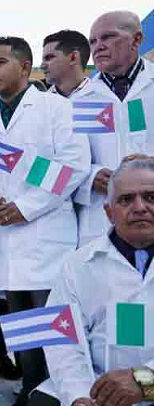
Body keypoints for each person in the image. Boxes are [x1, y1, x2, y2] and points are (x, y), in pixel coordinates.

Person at [0, 36, 90, 406]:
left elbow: (72, 168)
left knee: (56, 333)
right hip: (8, 242)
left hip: (45, 237)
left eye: (0, 63)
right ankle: (31, 390)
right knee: (24, 331)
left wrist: (25, 207)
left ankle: (57, 396)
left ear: (24, 67)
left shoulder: (55, 109)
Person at [33, 157, 154, 406]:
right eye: (126, 199)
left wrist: (144, 381)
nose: (140, 207)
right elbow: (62, 342)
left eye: (150, 197)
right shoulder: (78, 266)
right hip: (100, 392)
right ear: (109, 212)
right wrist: (79, 396)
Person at [72, 10, 154, 248]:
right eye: (93, 41)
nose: (98, 47)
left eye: (108, 37)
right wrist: (91, 177)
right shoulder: (78, 101)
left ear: (137, 40)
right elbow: (62, 163)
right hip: (100, 221)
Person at [41, 30, 91, 98]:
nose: (42, 66)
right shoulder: (40, 102)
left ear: (73, 58)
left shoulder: (105, 98)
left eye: (49, 58)